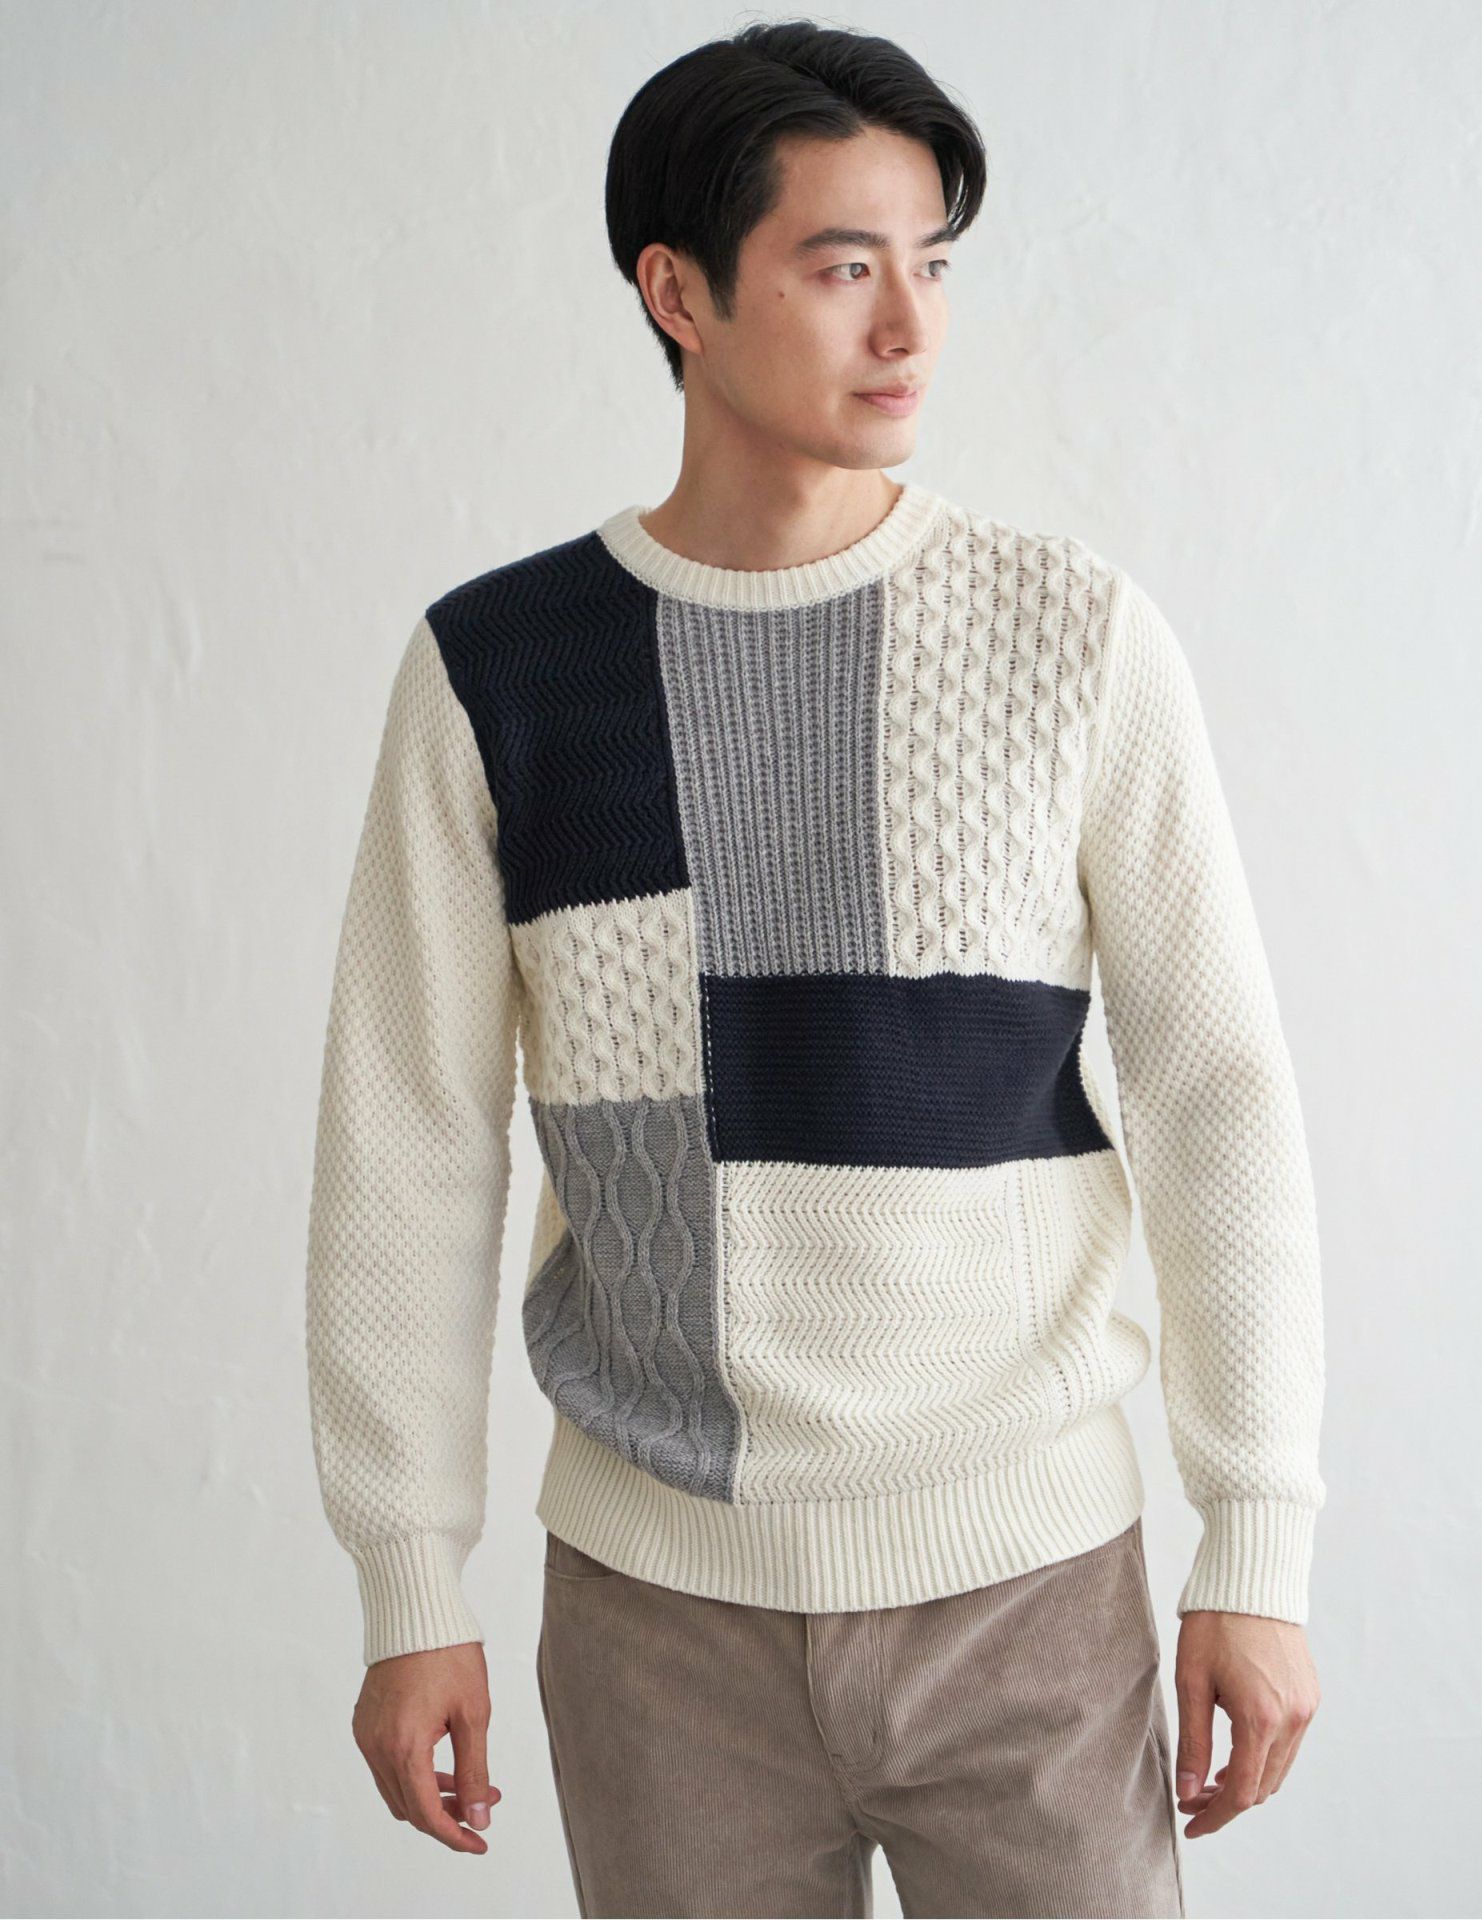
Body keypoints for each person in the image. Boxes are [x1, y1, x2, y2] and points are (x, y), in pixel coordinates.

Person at [304, 19, 1325, 1917]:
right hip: (657, 1618)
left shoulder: (1074, 638)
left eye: (932, 261)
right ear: (677, 294)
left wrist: (1254, 1541)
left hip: (1031, 1592)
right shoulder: (501, 672)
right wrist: (407, 1582)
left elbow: (1217, 1096)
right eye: (844, 266)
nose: (910, 325)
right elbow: (410, 1143)